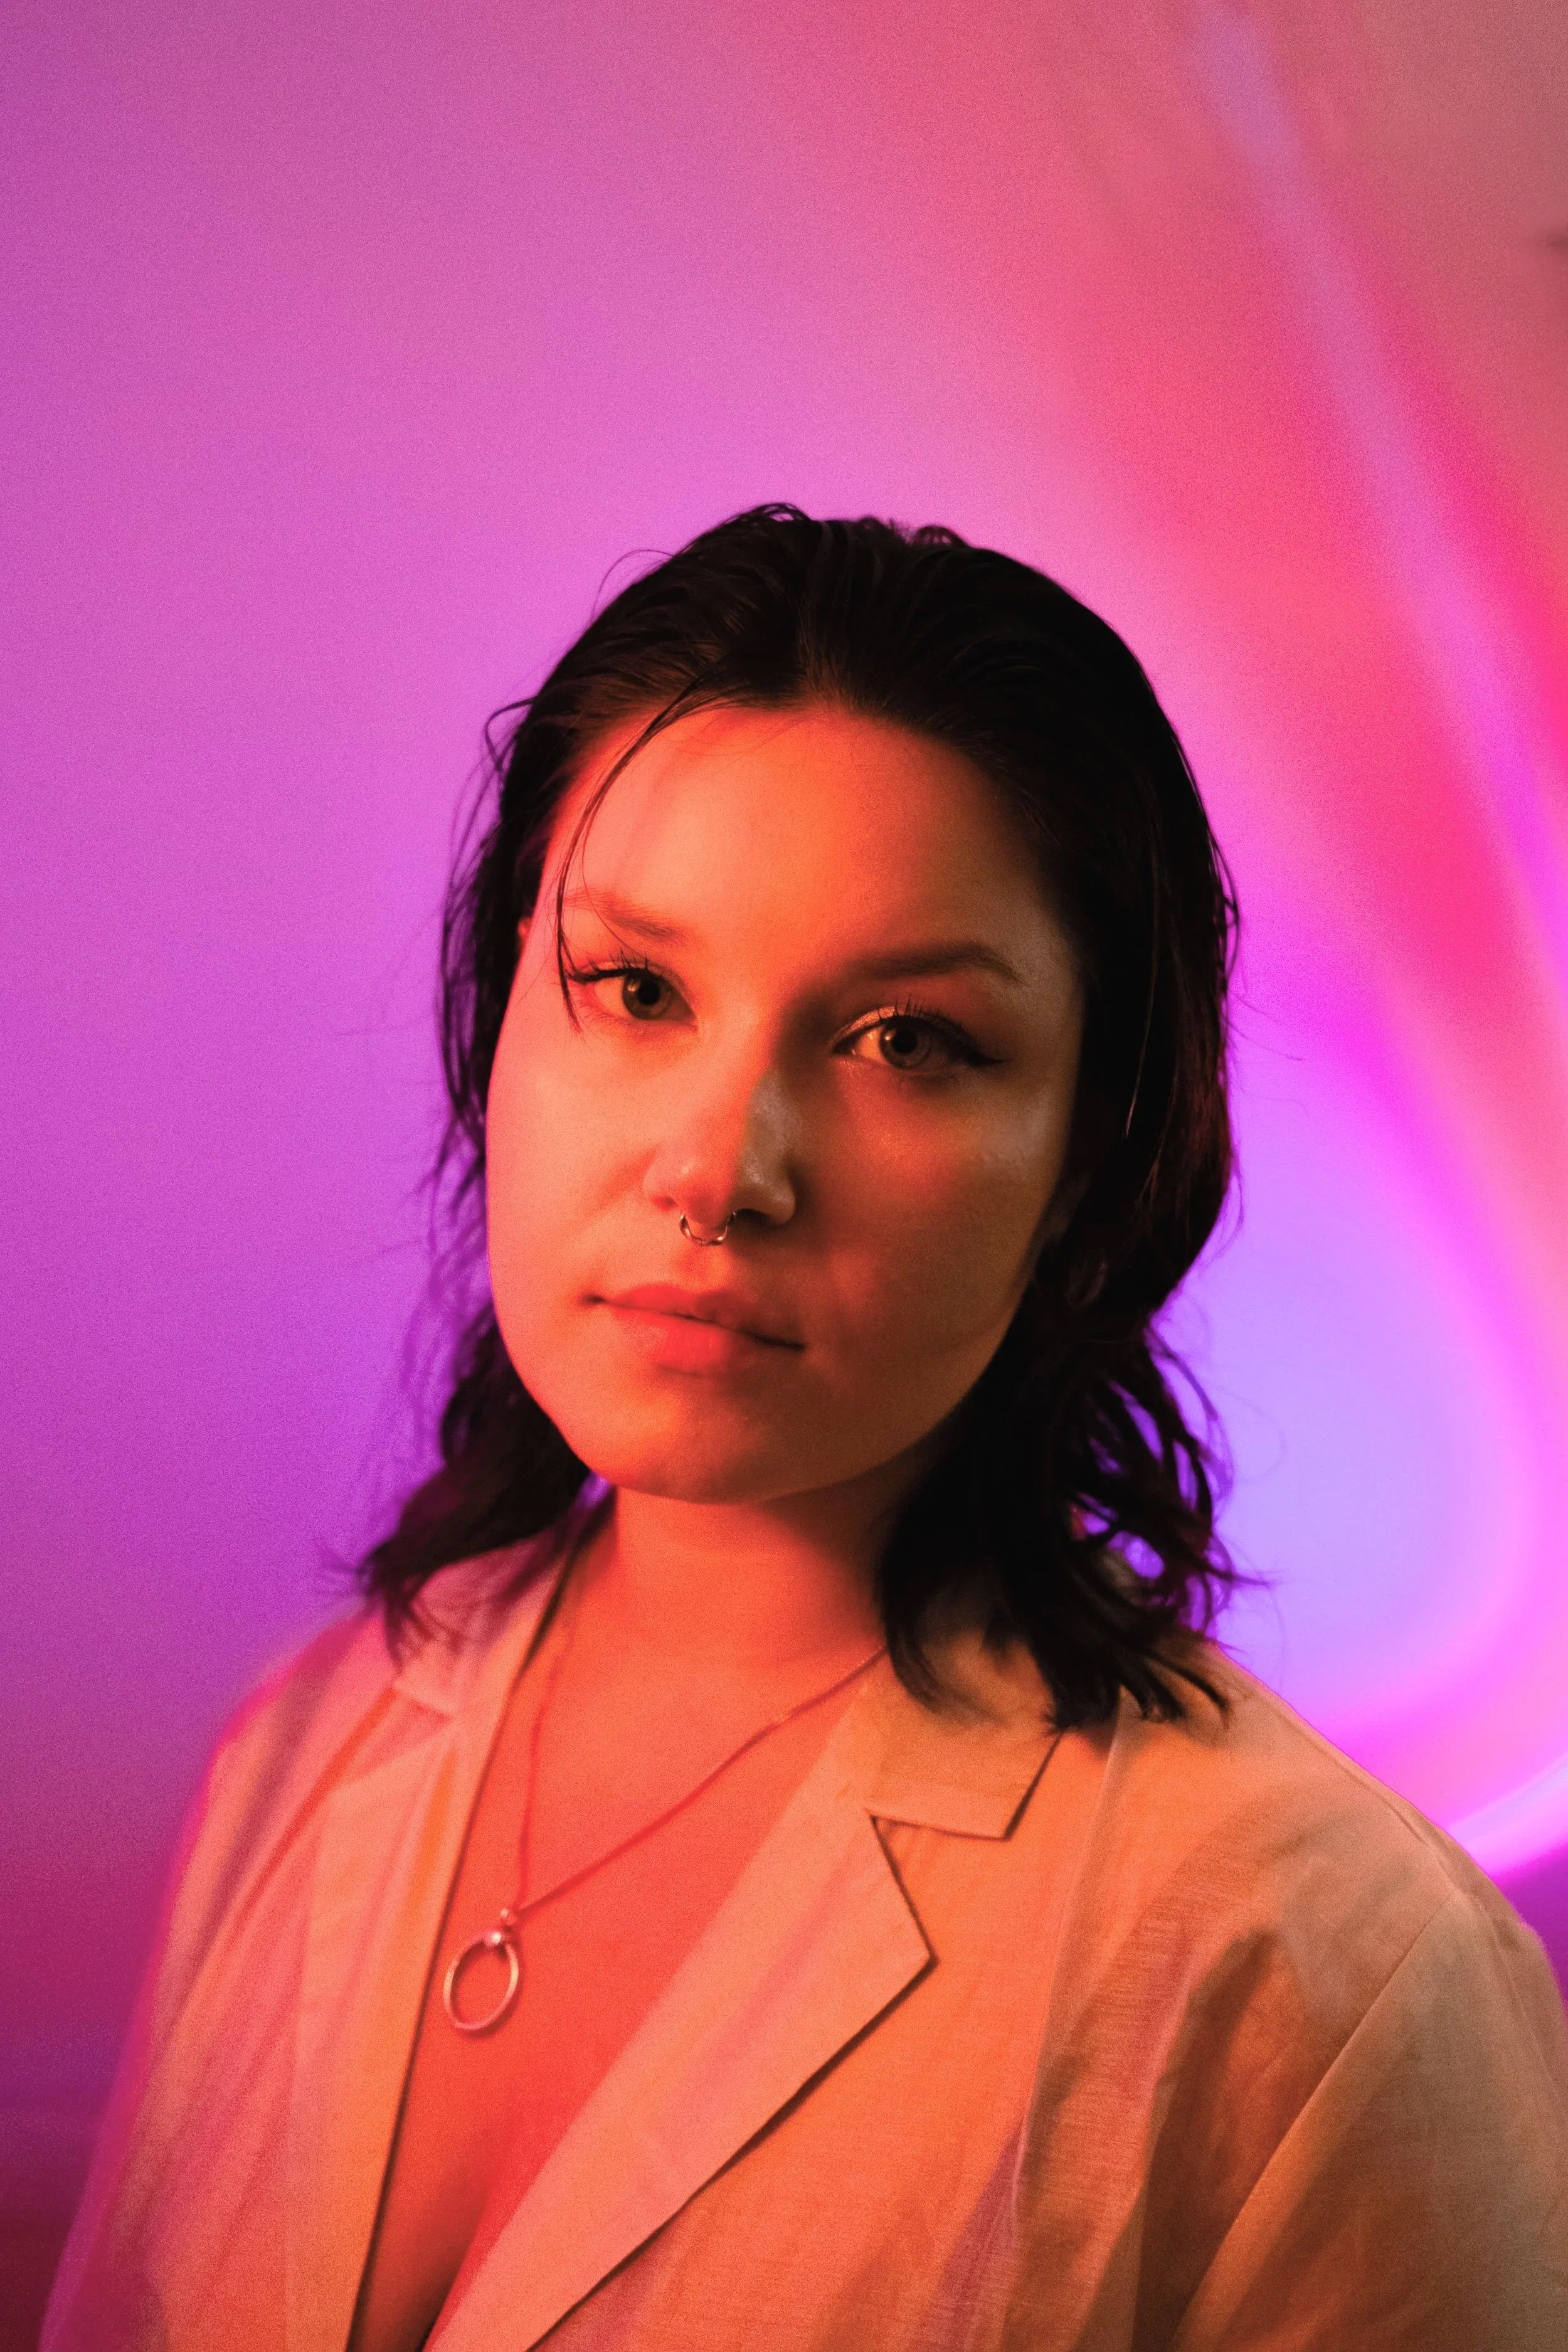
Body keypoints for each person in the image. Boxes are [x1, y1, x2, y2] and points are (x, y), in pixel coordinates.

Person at [44, 507, 1568, 2351]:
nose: (718, 1163)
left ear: (1093, 1158)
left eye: (908, 1039)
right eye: (634, 990)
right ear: (500, 1011)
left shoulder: (1308, 1971)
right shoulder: (307, 1748)